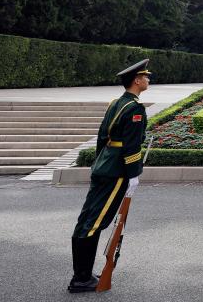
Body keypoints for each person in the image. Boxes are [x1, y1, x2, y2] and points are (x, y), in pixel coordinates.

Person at [68, 59, 152, 293]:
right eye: (145, 76)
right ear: (137, 80)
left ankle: (82, 273)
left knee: (87, 219)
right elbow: (131, 145)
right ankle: (81, 278)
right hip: (117, 171)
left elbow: (102, 136)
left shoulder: (116, 103)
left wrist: (99, 162)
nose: (148, 79)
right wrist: (133, 174)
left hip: (105, 165)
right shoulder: (135, 108)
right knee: (94, 223)